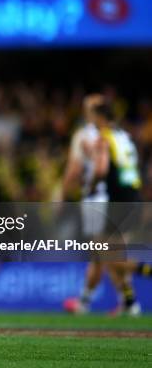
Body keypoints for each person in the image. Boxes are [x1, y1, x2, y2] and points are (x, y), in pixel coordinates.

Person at [63, 95, 150, 316]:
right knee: (109, 254)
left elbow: (99, 169)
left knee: (107, 255)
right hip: (132, 198)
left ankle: (91, 301)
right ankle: (129, 304)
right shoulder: (125, 136)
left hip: (111, 201)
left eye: (90, 111)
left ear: (98, 115)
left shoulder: (100, 137)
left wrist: (90, 185)